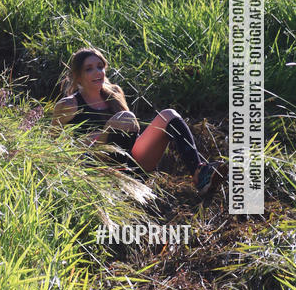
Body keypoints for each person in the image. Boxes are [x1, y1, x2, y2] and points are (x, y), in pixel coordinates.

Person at [52, 47, 226, 196]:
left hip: (132, 161)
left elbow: (131, 132)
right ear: (78, 76)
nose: (97, 72)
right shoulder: (68, 105)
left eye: (100, 67)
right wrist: (94, 138)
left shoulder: (114, 93)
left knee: (168, 114)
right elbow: (52, 145)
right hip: (97, 165)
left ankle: (199, 173)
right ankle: (120, 184)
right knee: (123, 120)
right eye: (89, 69)